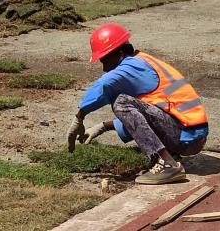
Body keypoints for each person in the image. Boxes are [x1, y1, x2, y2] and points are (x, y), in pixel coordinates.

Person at [67, 23, 209, 185]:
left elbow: (103, 87)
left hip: (187, 137)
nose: (105, 68)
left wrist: (79, 117)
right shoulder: (142, 60)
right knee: (128, 102)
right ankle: (170, 154)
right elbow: (146, 115)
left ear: (119, 53)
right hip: (189, 134)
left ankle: (168, 164)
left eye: (105, 59)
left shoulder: (133, 66)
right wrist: (103, 127)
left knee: (120, 101)